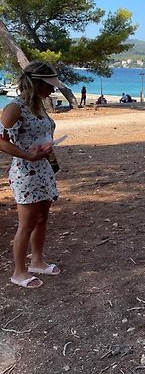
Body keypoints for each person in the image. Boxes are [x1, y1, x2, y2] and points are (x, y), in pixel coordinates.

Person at [0, 61, 64, 289]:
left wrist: (47, 152)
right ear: (36, 83)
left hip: (43, 169)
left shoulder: (39, 105)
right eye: (49, 85)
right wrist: (28, 156)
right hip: (25, 172)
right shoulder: (13, 108)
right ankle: (19, 272)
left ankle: (37, 261)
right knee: (26, 224)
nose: (52, 89)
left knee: (42, 219)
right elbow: (1, 141)